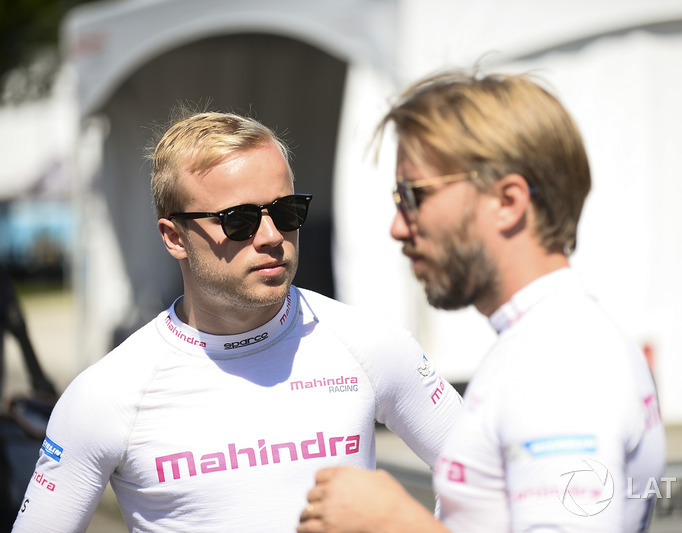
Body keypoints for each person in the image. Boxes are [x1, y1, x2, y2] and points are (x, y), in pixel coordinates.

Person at [12, 110, 462, 532]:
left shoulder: (368, 344)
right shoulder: (108, 394)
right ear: (174, 237)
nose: (271, 237)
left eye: (286, 212)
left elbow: (489, 482)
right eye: (239, 220)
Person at [297, 70, 666, 532]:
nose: (397, 225)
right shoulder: (543, 340)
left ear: (508, 201)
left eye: (414, 196)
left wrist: (392, 521)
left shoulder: (560, 362)